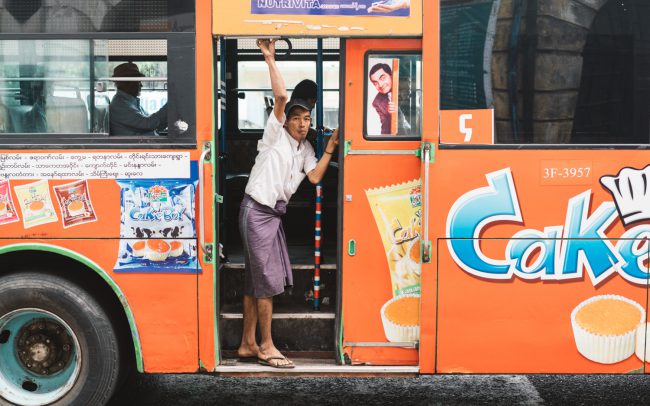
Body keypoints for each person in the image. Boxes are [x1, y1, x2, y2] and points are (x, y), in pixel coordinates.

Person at [237, 39, 339, 369]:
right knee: (265, 282)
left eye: (306, 118)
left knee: (257, 282)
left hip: (272, 217)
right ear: (286, 120)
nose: (301, 122)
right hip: (256, 211)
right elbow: (280, 97)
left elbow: (314, 177)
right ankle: (266, 346)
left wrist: (330, 149)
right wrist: (269, 58)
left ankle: (247, 344)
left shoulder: (307, 149)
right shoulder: (274, 136)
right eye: (295, 117)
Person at [109, 62, 167, 136]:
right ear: (129, 83)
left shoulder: (130, 102)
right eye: (138, 81)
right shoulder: (119, 106)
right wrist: (171, 105)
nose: (141, 85)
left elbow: (153, 122)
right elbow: (149, 124)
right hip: (137, 147)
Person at [368, 62, 412, 135]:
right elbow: (385, 127)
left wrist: (398, 113)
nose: (380, 85)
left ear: (391, 75)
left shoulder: (405, 87)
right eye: (375, 83)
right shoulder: (377, 102)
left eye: (382, 78)